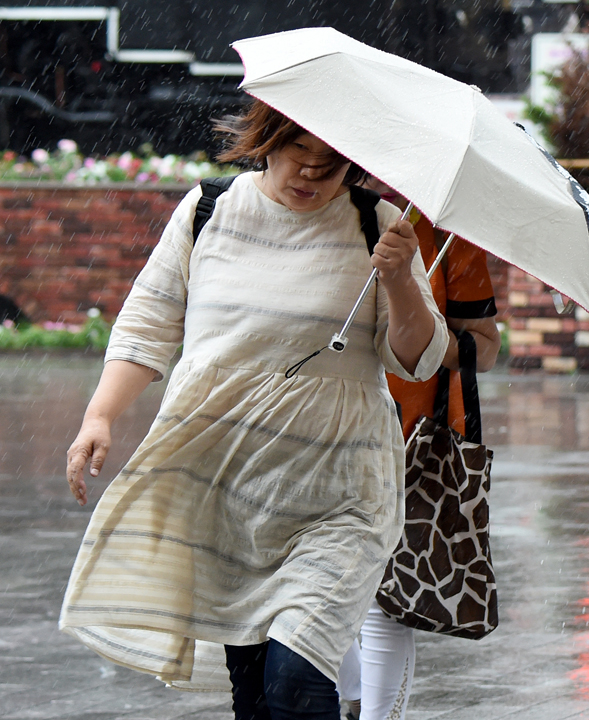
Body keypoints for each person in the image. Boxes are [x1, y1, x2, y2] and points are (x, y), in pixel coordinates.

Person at [60, 100, 449, 720]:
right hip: (226, 485)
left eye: (332, 166)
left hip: (339, 496)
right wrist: (99, 416)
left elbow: (417, 360)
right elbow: (148, 323)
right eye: (301, 155)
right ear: (268, 141)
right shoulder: (208, 210)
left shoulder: (379, 225)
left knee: (298, 671)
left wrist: (401, 279)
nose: (312, 176)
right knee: (255, 689)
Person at [336, 177, 501, 720]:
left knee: (385, 602)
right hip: (314, 422)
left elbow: (485, 347)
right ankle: (351, 697)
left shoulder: (448, 228)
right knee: (316, 583)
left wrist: (419, 325)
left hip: (409, 437)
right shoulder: (319, 205)